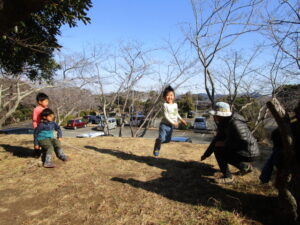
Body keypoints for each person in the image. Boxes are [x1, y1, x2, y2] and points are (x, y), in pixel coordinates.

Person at [201, 102, 260, 184]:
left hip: (249, 151)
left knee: (220, 150)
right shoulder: (224, 122)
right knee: (218, 147)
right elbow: (216, 140)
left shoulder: (235, 123)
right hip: (241, 149)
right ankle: (246, 167)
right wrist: (206, 154)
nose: (214, 116)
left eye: (215, 115)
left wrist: (224, 144)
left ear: (221, 115)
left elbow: (243, 141)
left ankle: (228, 177)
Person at [259, 101, 300, 183]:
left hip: (285, 155)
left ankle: (265, 178)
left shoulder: (294, 122)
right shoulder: (294, 122)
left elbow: (276, 134)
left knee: (274, 158)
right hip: (287, 154)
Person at [153, 85, 187, 157]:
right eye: (167, 95)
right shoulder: (165, 105)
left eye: (171, 95)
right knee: (161, 138)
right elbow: (166, 116)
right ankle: (157, 148)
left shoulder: (175, 105)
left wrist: (181, 119)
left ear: (174, 96)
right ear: (164, 97)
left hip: (170, 126)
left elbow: (176, 114)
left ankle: (158, 141)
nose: (170, 97)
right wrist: (173, 122)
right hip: (164, 125)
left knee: (167, 140)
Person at [32, 93, 49, 158]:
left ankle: (44, 153)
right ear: (39, 102)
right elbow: (34, 120)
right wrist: (36, 128)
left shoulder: (46, 108)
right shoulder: (36, 109)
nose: (47, 102)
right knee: (37, 142)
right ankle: (37, 153)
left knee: (45, 140)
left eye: (48, 101)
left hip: (46, 128)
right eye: (46, 101)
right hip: (38, 128)